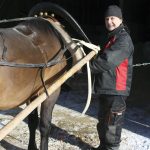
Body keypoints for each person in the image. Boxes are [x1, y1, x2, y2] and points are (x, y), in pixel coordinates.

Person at [90, 5, 134, 150]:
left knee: (112, 127)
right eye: (107, 19)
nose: (109, 22)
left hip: (116, 91)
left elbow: (107, 61)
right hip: (106, 89)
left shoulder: (123, 39)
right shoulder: (111, 38)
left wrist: (86, 68)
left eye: (113, 18)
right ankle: (103, 147)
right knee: (102, 123)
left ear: (120, 19)